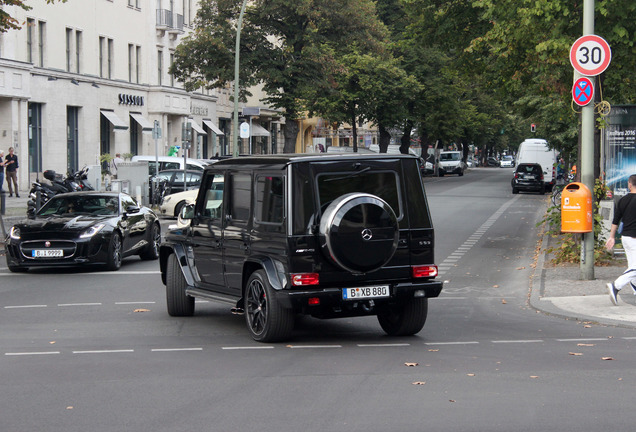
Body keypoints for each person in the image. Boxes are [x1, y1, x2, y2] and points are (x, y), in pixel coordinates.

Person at [605, 174, 636, 305]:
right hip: (634, 238)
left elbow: (615, 221)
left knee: (632, 265)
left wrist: (612, 237)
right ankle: (615, 286)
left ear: (630, 185)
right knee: (635, 267)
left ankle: (635, 288)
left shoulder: (622, 200)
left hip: (625, 238)